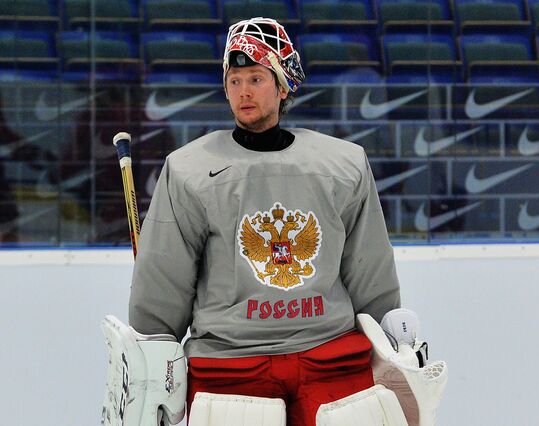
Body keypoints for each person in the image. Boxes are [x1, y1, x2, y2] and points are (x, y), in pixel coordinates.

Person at [101, 17, 446, 426]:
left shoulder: (343, 164)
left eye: (256, 78)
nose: (243, 91)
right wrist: (153, 350)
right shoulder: (189, 170)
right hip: (230, 363)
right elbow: (164, 279)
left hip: (329, 355)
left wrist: (391, 337)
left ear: (283, 85)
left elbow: (368, 265)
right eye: (234, 80)